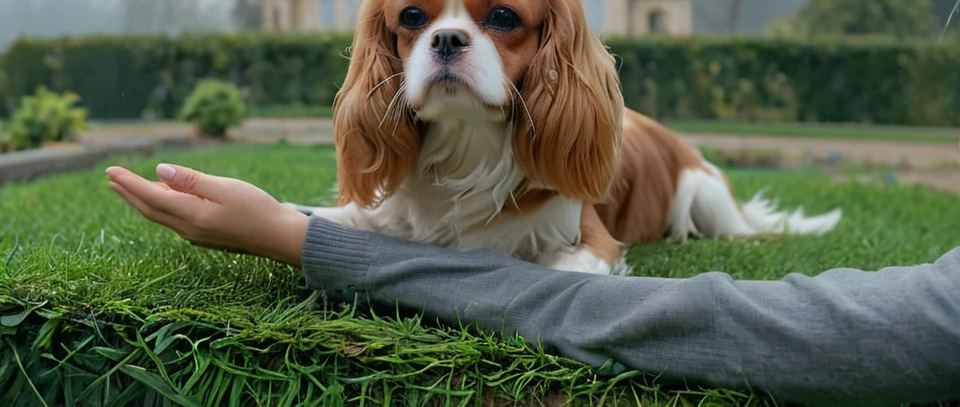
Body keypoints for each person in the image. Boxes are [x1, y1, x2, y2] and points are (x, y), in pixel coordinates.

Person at [105, 162, 960, 407]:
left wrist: (301, 242)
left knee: (709, 207)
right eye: (413, 21)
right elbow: (397, 217)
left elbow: (655, 305)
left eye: (502, 19)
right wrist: (305, 225)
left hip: (670, 199)